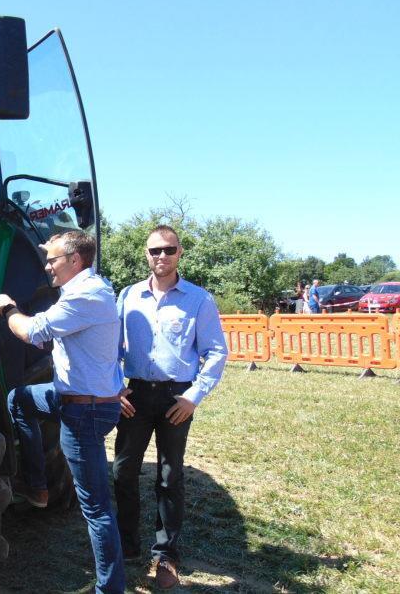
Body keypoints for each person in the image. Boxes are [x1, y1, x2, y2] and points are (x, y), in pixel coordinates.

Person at [0, 231, 126, 594]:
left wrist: (7, 308)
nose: (47, 265)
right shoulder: (84, 291)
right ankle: (37, 488)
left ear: (75, 261)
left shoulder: (86, 295)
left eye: (52, 259)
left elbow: (34, 331)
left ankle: (109, 588)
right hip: (75, 396)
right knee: (18, 400)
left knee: (96, 509)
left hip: (85, 410)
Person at [113, 225, 228, 590]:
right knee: (122, 471)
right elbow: (110, 348)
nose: (161, 256)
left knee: (169, 475)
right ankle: (126, 545)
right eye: (154, 250)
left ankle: (165, 555)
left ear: (180, 253)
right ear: (146, 254)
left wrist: (193, 397)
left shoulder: (198, 300)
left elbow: (216, 352)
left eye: (168, 250)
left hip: (176, 398)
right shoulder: (128, 296)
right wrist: (115, 388)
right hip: (134, 396)